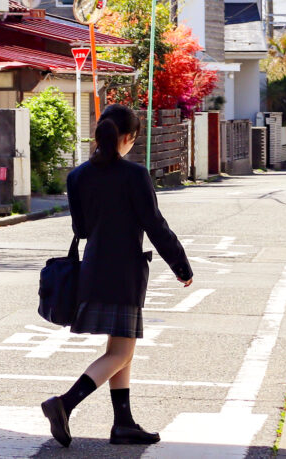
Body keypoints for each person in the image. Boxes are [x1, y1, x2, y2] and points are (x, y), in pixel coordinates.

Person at [41, 104, 194, 448]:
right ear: (127, 138)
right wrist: (181, 267)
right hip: (124, 273)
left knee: (120, 348)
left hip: (93, 270)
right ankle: (64, 403)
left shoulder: (77, 176)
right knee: (121, 352)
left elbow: (80, 229)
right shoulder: (134, 175)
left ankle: (123, 423)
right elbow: (154, 225)